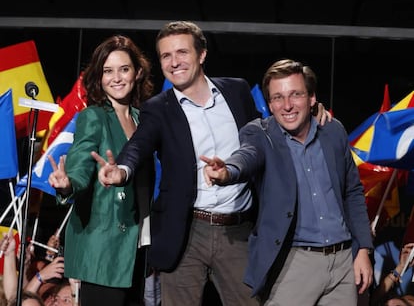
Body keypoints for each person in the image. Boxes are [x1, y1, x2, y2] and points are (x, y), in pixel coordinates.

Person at [92, 21, 331, 306]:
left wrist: (311, 112)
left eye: (181, 52)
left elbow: (269, 134)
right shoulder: (158, 108)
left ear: (202, 54)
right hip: (185, 231)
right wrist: (122, 169)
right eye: (166, 56)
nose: (174, 62)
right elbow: (138, 146)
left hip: (239, 231)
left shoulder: (237, 91)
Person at [201, 59, 374, 305]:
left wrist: (364, 250)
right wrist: (227, 171)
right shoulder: (259, 133)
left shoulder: (333, 131)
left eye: (296, 95)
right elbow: (247, 156)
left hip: (344, 262)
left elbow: (353, 192)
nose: (287, 105)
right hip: (294, 263)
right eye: (278, 98)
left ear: (312, 98)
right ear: (270, 104)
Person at [47, 34, 155, 306]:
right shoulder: (93, 116)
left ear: (138, 72)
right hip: (103, 245)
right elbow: (81, 163)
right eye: (108, 71)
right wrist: (68, 183)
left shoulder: (145, 120)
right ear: (99, 77)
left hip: (138, 244)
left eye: (124, 69)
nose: (116, 78)